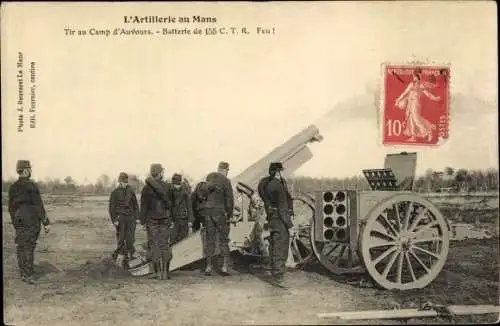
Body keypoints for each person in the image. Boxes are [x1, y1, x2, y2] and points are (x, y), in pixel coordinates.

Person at [8, 160, 50, 284]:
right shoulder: (31, 186)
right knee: (29, 246)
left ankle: (23, 273)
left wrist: (14, 221)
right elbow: (38, 205)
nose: (31, 171)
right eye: (30, 169)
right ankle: (29, 275)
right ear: (25, 170)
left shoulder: (13, 187)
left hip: (18, 218)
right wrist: (46, 222)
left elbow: (10, 207)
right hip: (31, 219)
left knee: (21, 245)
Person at [257, 162, 294, 284]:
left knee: (274, 244)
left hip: (272, 218)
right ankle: (278, 276)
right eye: (281, 171)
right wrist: (290, 225)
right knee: (281, 246)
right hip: (280, 219)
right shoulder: (277, 186)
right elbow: (283, 207)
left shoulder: (266, 184)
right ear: (278, 172)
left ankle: (275, 271)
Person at [198, 161, 234, 276]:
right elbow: (229, 200)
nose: (227, 173)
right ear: (224, 170)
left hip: (208, 212)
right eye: (227, 171)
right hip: (219, 213)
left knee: (210, 240)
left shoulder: (210, 177)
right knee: (223, 240)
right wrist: (230, 214)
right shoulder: (226, 181)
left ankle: (208, 267)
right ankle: (224, 267)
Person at [140, 164, 174, 280]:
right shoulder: (168, 186)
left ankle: (157, 272)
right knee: (165, 244)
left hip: (151, 220)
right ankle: (165, 272)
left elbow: (144, 206)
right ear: (160, 173)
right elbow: (171, 205)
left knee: (154, 245)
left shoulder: (146, 188)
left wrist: (143, 221)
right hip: (165, 219)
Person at [394, 68, 441, 142]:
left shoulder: (419, 84)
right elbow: (404, 93)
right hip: (410, 103)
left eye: (416, 76)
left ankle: (429, 132)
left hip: (415, 104)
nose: (416, 77)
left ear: (415, 76)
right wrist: (398, 101)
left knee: (416, 119)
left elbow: (427, 94)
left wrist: (435, 98)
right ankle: (413, 137)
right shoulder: (412, 84)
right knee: (411, 120)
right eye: (417, 75)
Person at [109, 172, 140, 267]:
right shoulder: (115, 193)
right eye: (123, 182)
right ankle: (118, 260)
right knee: (121, 240)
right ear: (119, 181)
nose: (125, 183)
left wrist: (137, 218)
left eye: (126, 181)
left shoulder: (131, 191)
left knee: (130, 240)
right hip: (121, 218)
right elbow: (112, 208)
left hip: (131, 218)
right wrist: (114, 220)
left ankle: (129, 259)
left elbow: (135, 205)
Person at [171, 173, 194, 245]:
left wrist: (190, 220)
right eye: (175, 185)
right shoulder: (169, 192)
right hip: (174, 220)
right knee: (173, 239)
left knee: (183, 240)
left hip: (184, 219)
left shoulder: (185, 193)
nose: (177, 186)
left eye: (178, 184)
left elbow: (189, 207)